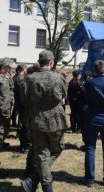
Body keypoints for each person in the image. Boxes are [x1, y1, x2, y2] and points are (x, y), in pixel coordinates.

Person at [20, 50, 68, 192]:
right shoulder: (58, 77)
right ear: (51, 62)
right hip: (55, 120)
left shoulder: (29, 78)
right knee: (56, 149)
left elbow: (24, 100)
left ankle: (33, 179)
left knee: (42, 154)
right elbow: (64, 96)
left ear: (39, 62)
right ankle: (44, 186)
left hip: (36, 120)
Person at [0, 57, 15, 150]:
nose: (9, 68)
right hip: (1, 107)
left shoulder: (7, 76)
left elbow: (11, 89)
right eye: (8, 66)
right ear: (3, 66)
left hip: (7, 106)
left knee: (6, 126)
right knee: (1, 127)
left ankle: (2, 142)